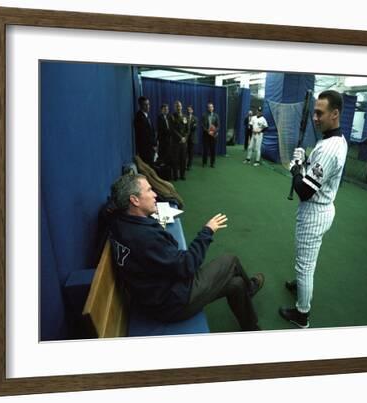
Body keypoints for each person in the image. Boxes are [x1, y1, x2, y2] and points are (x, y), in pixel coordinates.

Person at [108, 173, 265, 331]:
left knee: (236, 284)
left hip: (155, 295)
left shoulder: (118, 221)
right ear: (134, 200)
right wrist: (207, 231)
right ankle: (250, 288)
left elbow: (109, 209)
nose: (155, 194)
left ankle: (251, 327)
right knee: (231, 260)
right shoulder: (145, 238)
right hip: (171, 304)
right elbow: (187, 265)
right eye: (149, 190)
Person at [279, 90, 348, 329]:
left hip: (315, 212)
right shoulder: (333, 140)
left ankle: (302, 314)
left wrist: (296, 168)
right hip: (321, 208)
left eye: (320, 113)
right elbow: (317, 173)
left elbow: (305, 190)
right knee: (306, 260)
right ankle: (300, 285)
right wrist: (306, 159)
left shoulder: (330, 148)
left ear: (335, 114)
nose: (316, 118)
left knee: (305, 265)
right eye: (315, 112)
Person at [133, 96, 157, 165]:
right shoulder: (139, 117)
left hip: (150, 148)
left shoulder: (147, 116)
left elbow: (151, 131)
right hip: (145, 150)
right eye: (145, 105)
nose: (148, 106)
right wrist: (153, 145)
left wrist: (155, 144)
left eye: (148, 104)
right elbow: (144, 135)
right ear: (141, 105)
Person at [169, 100, 189, 181]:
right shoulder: (171, 116)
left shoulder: (185, 116)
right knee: (175, 159)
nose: (179, 108)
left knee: (183, 159)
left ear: (182, 107)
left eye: (180, 106)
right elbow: (172, 129)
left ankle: (182, 175)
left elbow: (188, 129)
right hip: (175, 142)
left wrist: (185, 138)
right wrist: (181, 138)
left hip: (184, 142)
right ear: (175, 107)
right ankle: (175, 176)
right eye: (177, 106)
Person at [201, 102, 220, 167]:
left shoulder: (216, 115)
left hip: (213, 136)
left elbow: (218, 126)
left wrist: (214, 131)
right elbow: (202, 125)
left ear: (213, 108)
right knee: (205, 149)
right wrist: (208, 131)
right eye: (209, 107)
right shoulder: (204, 115)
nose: (210, 108)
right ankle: (204, 162)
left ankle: (212, 163)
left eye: (211, 107)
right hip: (206, 135)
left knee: (213, 150)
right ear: (207, 108)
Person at [186, 105, 198, 170]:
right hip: (185, 138)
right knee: (185, 152)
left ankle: (189, 165)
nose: (189, 111)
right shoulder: (184, 117)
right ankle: (184, 164)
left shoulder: (195, 118)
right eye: (188, 110)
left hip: (192, 138)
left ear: (192, 111)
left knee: (191, 152)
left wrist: (188, 128)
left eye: (190, 110)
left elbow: (194, 128)